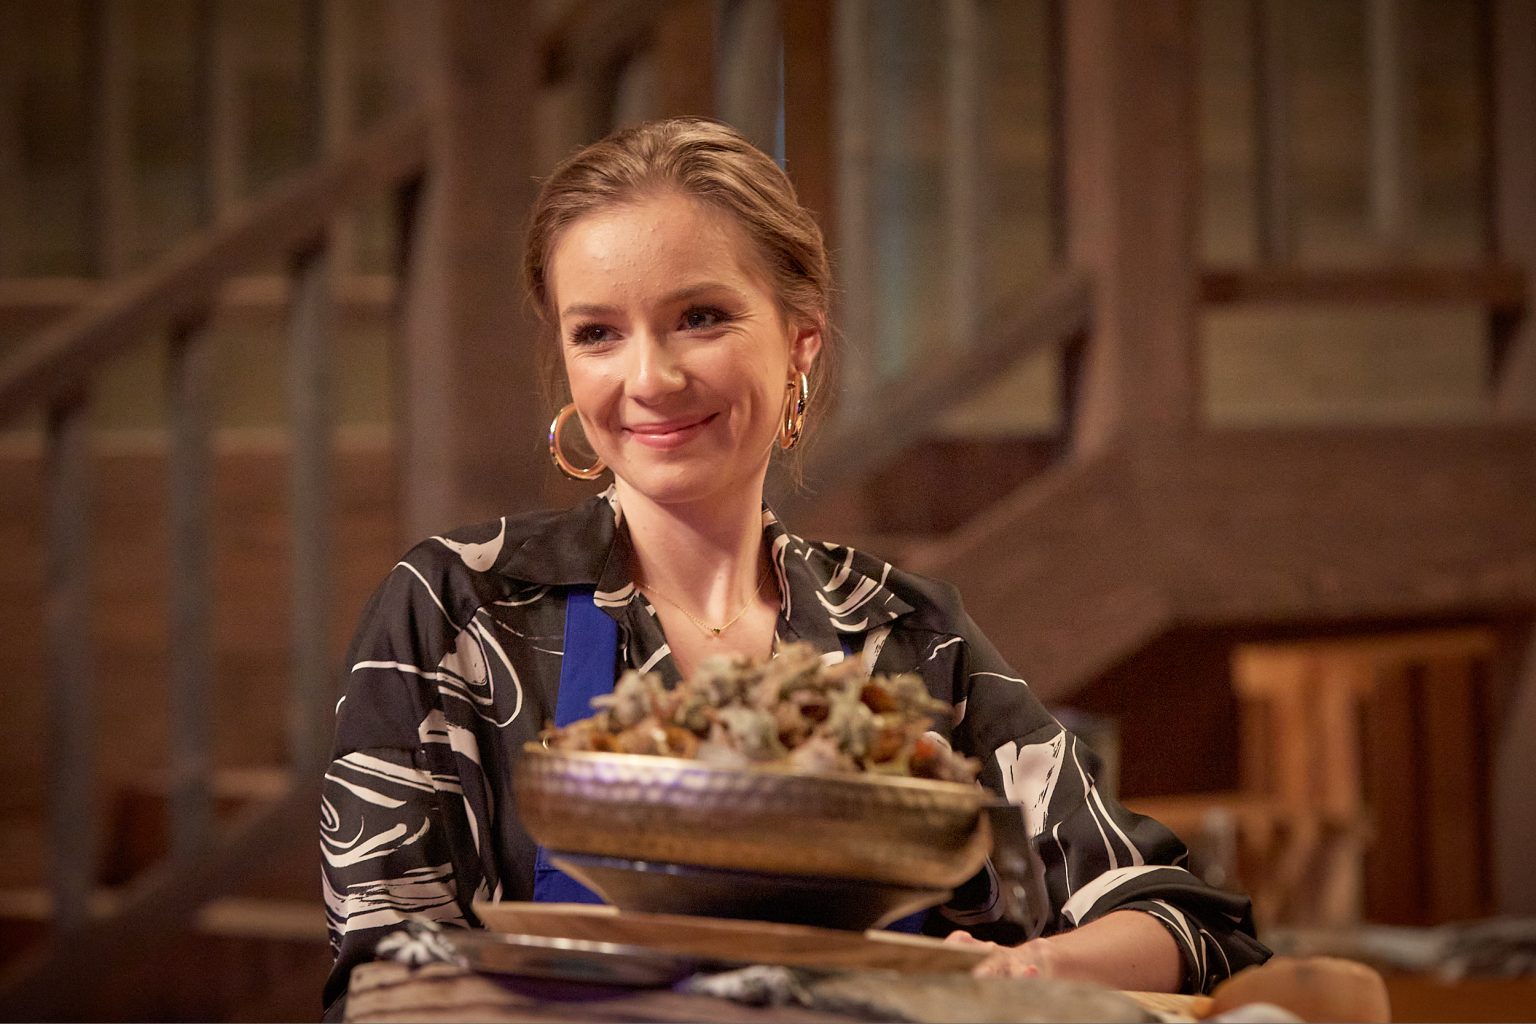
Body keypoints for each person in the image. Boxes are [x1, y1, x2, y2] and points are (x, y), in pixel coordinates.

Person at [320, 116, 1270, 1016]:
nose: (649, 379)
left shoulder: (908, 635)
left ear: (800, 339)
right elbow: (389, 973)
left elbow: (1190, 924)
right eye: (598, 333)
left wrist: (1027, 968)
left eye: (699, 317)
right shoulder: (461, 605)